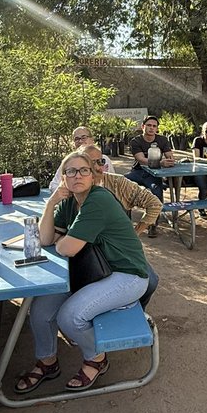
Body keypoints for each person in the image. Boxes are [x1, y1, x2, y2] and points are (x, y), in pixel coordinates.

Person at [14, 151, 150, 394]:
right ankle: (48, 362)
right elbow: (45, 238)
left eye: (83, 170)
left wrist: (62, 239)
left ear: (93, 175)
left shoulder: (98, 200)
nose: (77, 176)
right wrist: (51, 203)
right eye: (70, 171)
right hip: (90, 272)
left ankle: (96, 359)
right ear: (63, 177)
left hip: (126, 275)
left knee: (70, 317)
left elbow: (66, 247)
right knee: (40, 310)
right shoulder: (68, 202)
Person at [78, 144, 160, 306]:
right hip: (89, 250)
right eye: (91, 163)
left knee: (151, 282)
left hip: (121, 248)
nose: (98, 167)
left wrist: (136, 232)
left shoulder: (117, 183)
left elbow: (154, 203)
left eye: (100, 161)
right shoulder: (76, 186)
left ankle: (137, 312)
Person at [126, 115, 175, 235]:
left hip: (154, 174)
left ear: (157, 128)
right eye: (149, 125)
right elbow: (141, 159)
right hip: (138, 171)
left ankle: (152, 223)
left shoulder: (162, 140)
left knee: (157, 191)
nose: (151, 128)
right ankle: (126, 222)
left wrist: (170, 160)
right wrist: (160, 162)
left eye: (154, 126)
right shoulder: (135, 141)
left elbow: (170, 156)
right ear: (143, 126)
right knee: (122, 184)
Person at [47, 124, 115, 191]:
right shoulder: (69, 162)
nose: (80, 141)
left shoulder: (104, 159)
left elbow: (114, 182)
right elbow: (53, 185)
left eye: (84, 137)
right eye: (76, 139)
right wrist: (72, 191)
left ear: (92, 139)